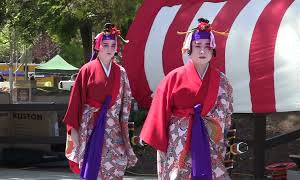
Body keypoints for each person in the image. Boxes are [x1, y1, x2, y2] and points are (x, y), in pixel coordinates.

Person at [140, 18, 233, 180]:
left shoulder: (222, 80)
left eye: (207, 46)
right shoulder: (174, 77)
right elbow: (159, 111)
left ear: (213, 50)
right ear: (189, 48)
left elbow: (226, 113)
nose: (202, 51)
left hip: (209, 138)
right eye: (197, 46)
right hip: (179, 139)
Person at [63, 23, 137, 180]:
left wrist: (124, 128)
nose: (109, 48)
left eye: (113, 45)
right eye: (105, 45)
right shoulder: (87, 70)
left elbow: (126, 103)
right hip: (90, 127)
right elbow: (75, 101)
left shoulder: (121, 72)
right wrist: (74, 130)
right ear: (98, 46)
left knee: (115, 168)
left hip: (113, 129)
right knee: (92, 170)